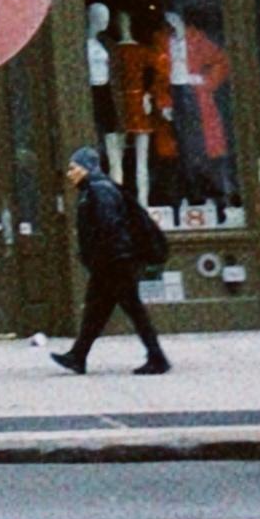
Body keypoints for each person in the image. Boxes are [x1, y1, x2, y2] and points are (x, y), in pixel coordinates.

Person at [52, 143, 172, 374]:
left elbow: (110, 227)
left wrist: (108, 258)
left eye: (72, 167)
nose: (69, 174)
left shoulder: (99, 190)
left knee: (131, 309)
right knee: (96, 310)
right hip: (111, 262)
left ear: (86, 168)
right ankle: (78, 355)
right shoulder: (95, 189)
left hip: (115, 262)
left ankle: (157, 357)